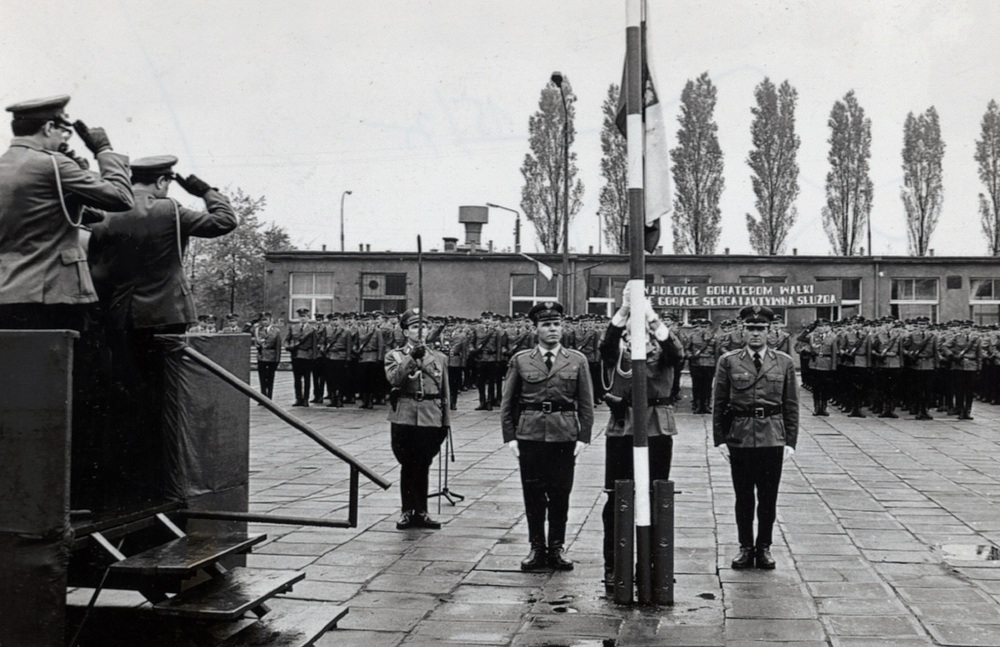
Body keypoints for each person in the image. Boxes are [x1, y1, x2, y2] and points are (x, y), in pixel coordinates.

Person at [88, 155, 237, 383]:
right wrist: (207, 192)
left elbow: (98, 269)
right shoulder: (170, 211)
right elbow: (225, 221)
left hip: (122, 313)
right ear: (160, 182)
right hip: (168, 311)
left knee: (129, 380)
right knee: (167, 381)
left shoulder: (107, 213)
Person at [0, 95, 134, 331]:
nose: (64, 139)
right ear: (48, 127)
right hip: (54, 293)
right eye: (64, 131)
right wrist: (104, 151)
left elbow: (88, 213)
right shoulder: (54, 164)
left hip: (7, 291)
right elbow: (121, 198)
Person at [598, 290, 683, 591]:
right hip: (624, 427)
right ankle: (614, 565)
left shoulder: (663, 349)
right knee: (617, 497)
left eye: (643, 321)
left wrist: (650, 314)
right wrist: (623, 309)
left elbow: (676, 353)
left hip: (656, 427)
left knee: (657, 496)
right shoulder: (619, 350)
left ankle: (654, 564)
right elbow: (605, 346)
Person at [500, 301, 594, 572]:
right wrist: (510, 437)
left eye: (556, 324)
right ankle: (536, 547)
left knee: (561, 493)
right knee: (533, 494)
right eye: (546, 325)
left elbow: (586, 402)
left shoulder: (576, 360)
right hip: (530, 435)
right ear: (535, 329)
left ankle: (556, 547)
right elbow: (508, 402)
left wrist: (583, 437)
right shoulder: (521, 360)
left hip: (564, 436)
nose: (552, 329)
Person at [713, 305, 799, 570]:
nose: (755, 333)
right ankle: (745, 547)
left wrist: (791, 442)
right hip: (740, 436)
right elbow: (719, 402)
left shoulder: (783, 362)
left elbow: (791, 404)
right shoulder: (729, 361)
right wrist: (720, 439)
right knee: (743, 497)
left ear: (770, 331)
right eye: (750, 328)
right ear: (742, 330)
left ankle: (764, 548)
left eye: (761, 328)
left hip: (772, 437)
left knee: (768, 497)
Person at [384, 308, 450, 530]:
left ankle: (422, 512)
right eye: (414, 327)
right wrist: (411, 357)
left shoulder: (439, 357)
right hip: (405, 416)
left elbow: (445, 392)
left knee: (424, 464)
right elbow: (395, 379)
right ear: (405, 332)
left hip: (431, 415)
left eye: (424, 327)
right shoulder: (395, 356)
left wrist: (446, 421)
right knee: (407, 464)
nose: (420, 331)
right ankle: (407, 511)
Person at [285, 307, 317, 406]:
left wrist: (314, 357)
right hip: (296, 355)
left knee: (307, 379)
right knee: (297, 379)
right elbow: (287, 339)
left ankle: (306, 399)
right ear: (299, 318)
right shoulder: (293, 327)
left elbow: (314, 344)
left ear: (308, 317)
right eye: (301, 316)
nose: (303, 318)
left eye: (305, 316)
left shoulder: (312, 329)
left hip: (307, 356)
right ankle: (298, 398)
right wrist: (288, 347)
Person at [254, 312, 282, 400]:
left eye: (266, 320)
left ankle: (269, 397)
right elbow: (256, 342)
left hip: (271, 357)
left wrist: (277, 360)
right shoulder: (258, 330)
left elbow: (278, 346)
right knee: (262, 378)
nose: (264, 322)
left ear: (270, 320)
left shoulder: (276, 331)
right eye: (263, 320)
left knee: (270, 378)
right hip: (261, 356)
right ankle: (262, 397)